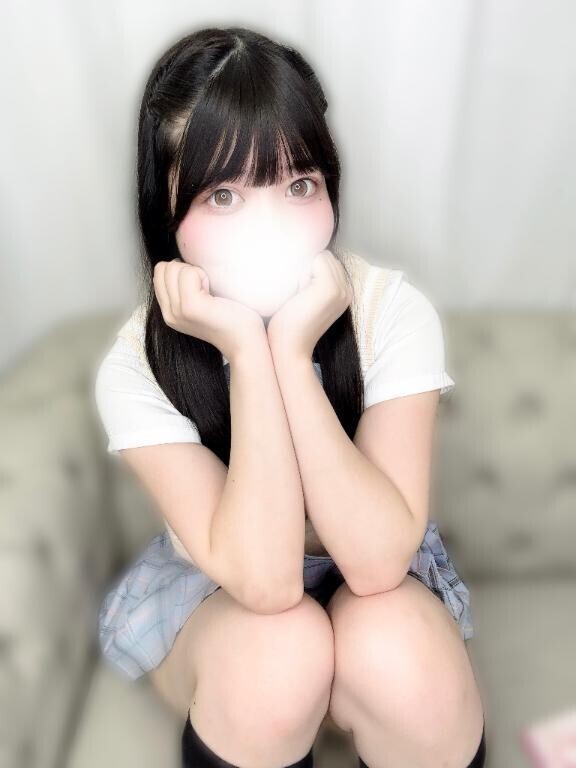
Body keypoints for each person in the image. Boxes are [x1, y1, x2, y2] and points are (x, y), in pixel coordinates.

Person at [94, 25, 486, 768]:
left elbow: (377, 564)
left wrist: (293, 353)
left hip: (373, 578)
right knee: (281, 652)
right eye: (224, 194)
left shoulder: (389, 311)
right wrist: (246, 349)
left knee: (402, 653)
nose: (269, 225)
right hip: (228, 593)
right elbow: (266, 583)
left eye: (298, 185)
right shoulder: (136, 361)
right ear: (165, 212)